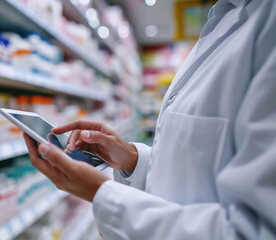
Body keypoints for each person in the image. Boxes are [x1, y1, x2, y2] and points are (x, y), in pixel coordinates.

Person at [23, 0, 276, 239]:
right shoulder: (227, 17)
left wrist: (101, 192)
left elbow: (257, 231)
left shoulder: (266, 25)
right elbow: (195, 168)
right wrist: (132, 160)